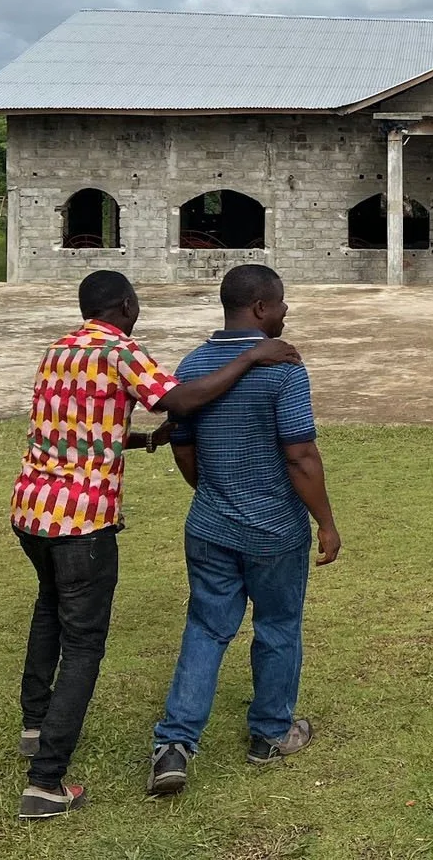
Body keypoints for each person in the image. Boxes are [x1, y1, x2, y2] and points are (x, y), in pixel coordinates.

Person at [10, 269, 300, 822]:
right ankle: (45, 782)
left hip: (31, 510)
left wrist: (144, 441)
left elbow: (75, 431)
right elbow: (180, 399)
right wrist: (250, 357)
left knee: (49, 610)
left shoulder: (59, 351)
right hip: (80, 521)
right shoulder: (119, 350)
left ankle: (34, 725)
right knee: (84, 645)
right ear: (126, 304)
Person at [146, 263, 340, 797]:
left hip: (209, 526)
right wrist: (325, 522)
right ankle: (270, 734)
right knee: (278, 626)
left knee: (206, 628)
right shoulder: (283, 366)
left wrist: (213, 492)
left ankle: (174, 745)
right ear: (260, 308)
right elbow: (300, 455)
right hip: (275, 531)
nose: (286, 311)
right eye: (281, 302)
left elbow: (183, 446)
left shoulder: (193, 364)